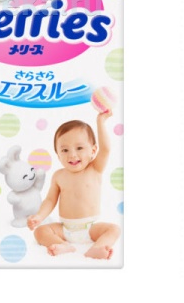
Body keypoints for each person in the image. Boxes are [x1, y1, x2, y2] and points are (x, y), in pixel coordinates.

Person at [27, 111, 120, 259]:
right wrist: (39, 216)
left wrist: (100, 121)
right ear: (58, 155)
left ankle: (97, 248)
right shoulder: (58, 176)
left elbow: (106, 149)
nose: (72, 155)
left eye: (79, 148)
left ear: (93, 150)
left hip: (90, 228)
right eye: (65, 150)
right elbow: (50, 200)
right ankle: (63, 245)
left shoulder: (95, 168)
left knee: (114, 229)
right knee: (40, 232)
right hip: (65, 229)